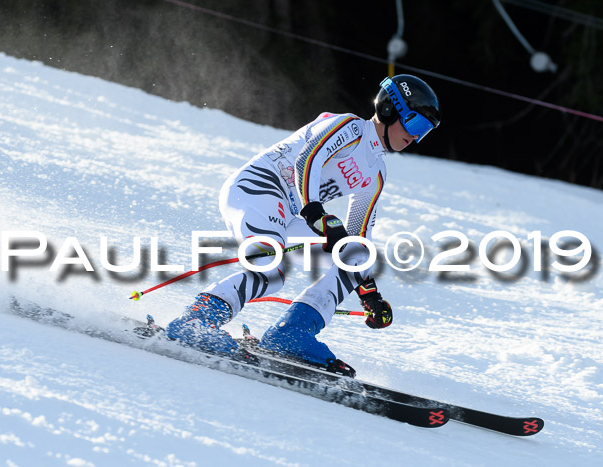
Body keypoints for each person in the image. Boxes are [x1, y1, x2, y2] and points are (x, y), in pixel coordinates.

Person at [166, 74, 441, 374]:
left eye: (424, 132)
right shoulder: (349, 128)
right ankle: (197, 321)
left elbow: (359, 234)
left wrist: (369, 293)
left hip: (288, 213)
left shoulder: (376, 174)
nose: (416, 137)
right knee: (270, 272)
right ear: (390, 109)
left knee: (357, 255)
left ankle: (291, 333)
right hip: (257, 188)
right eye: (415, 125)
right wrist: (315, 212)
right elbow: (308, 159)